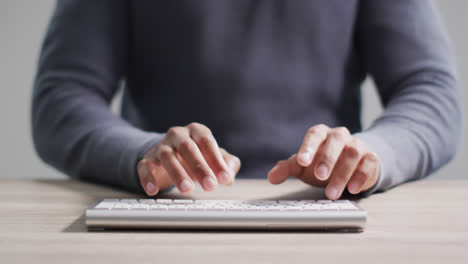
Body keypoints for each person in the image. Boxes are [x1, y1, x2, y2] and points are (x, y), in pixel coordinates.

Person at [32, 0, 462, 200]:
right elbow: (63, 97)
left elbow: (430, 90)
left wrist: (369, 156)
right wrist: (141, 155)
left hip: (324, 212)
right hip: (166, 210)